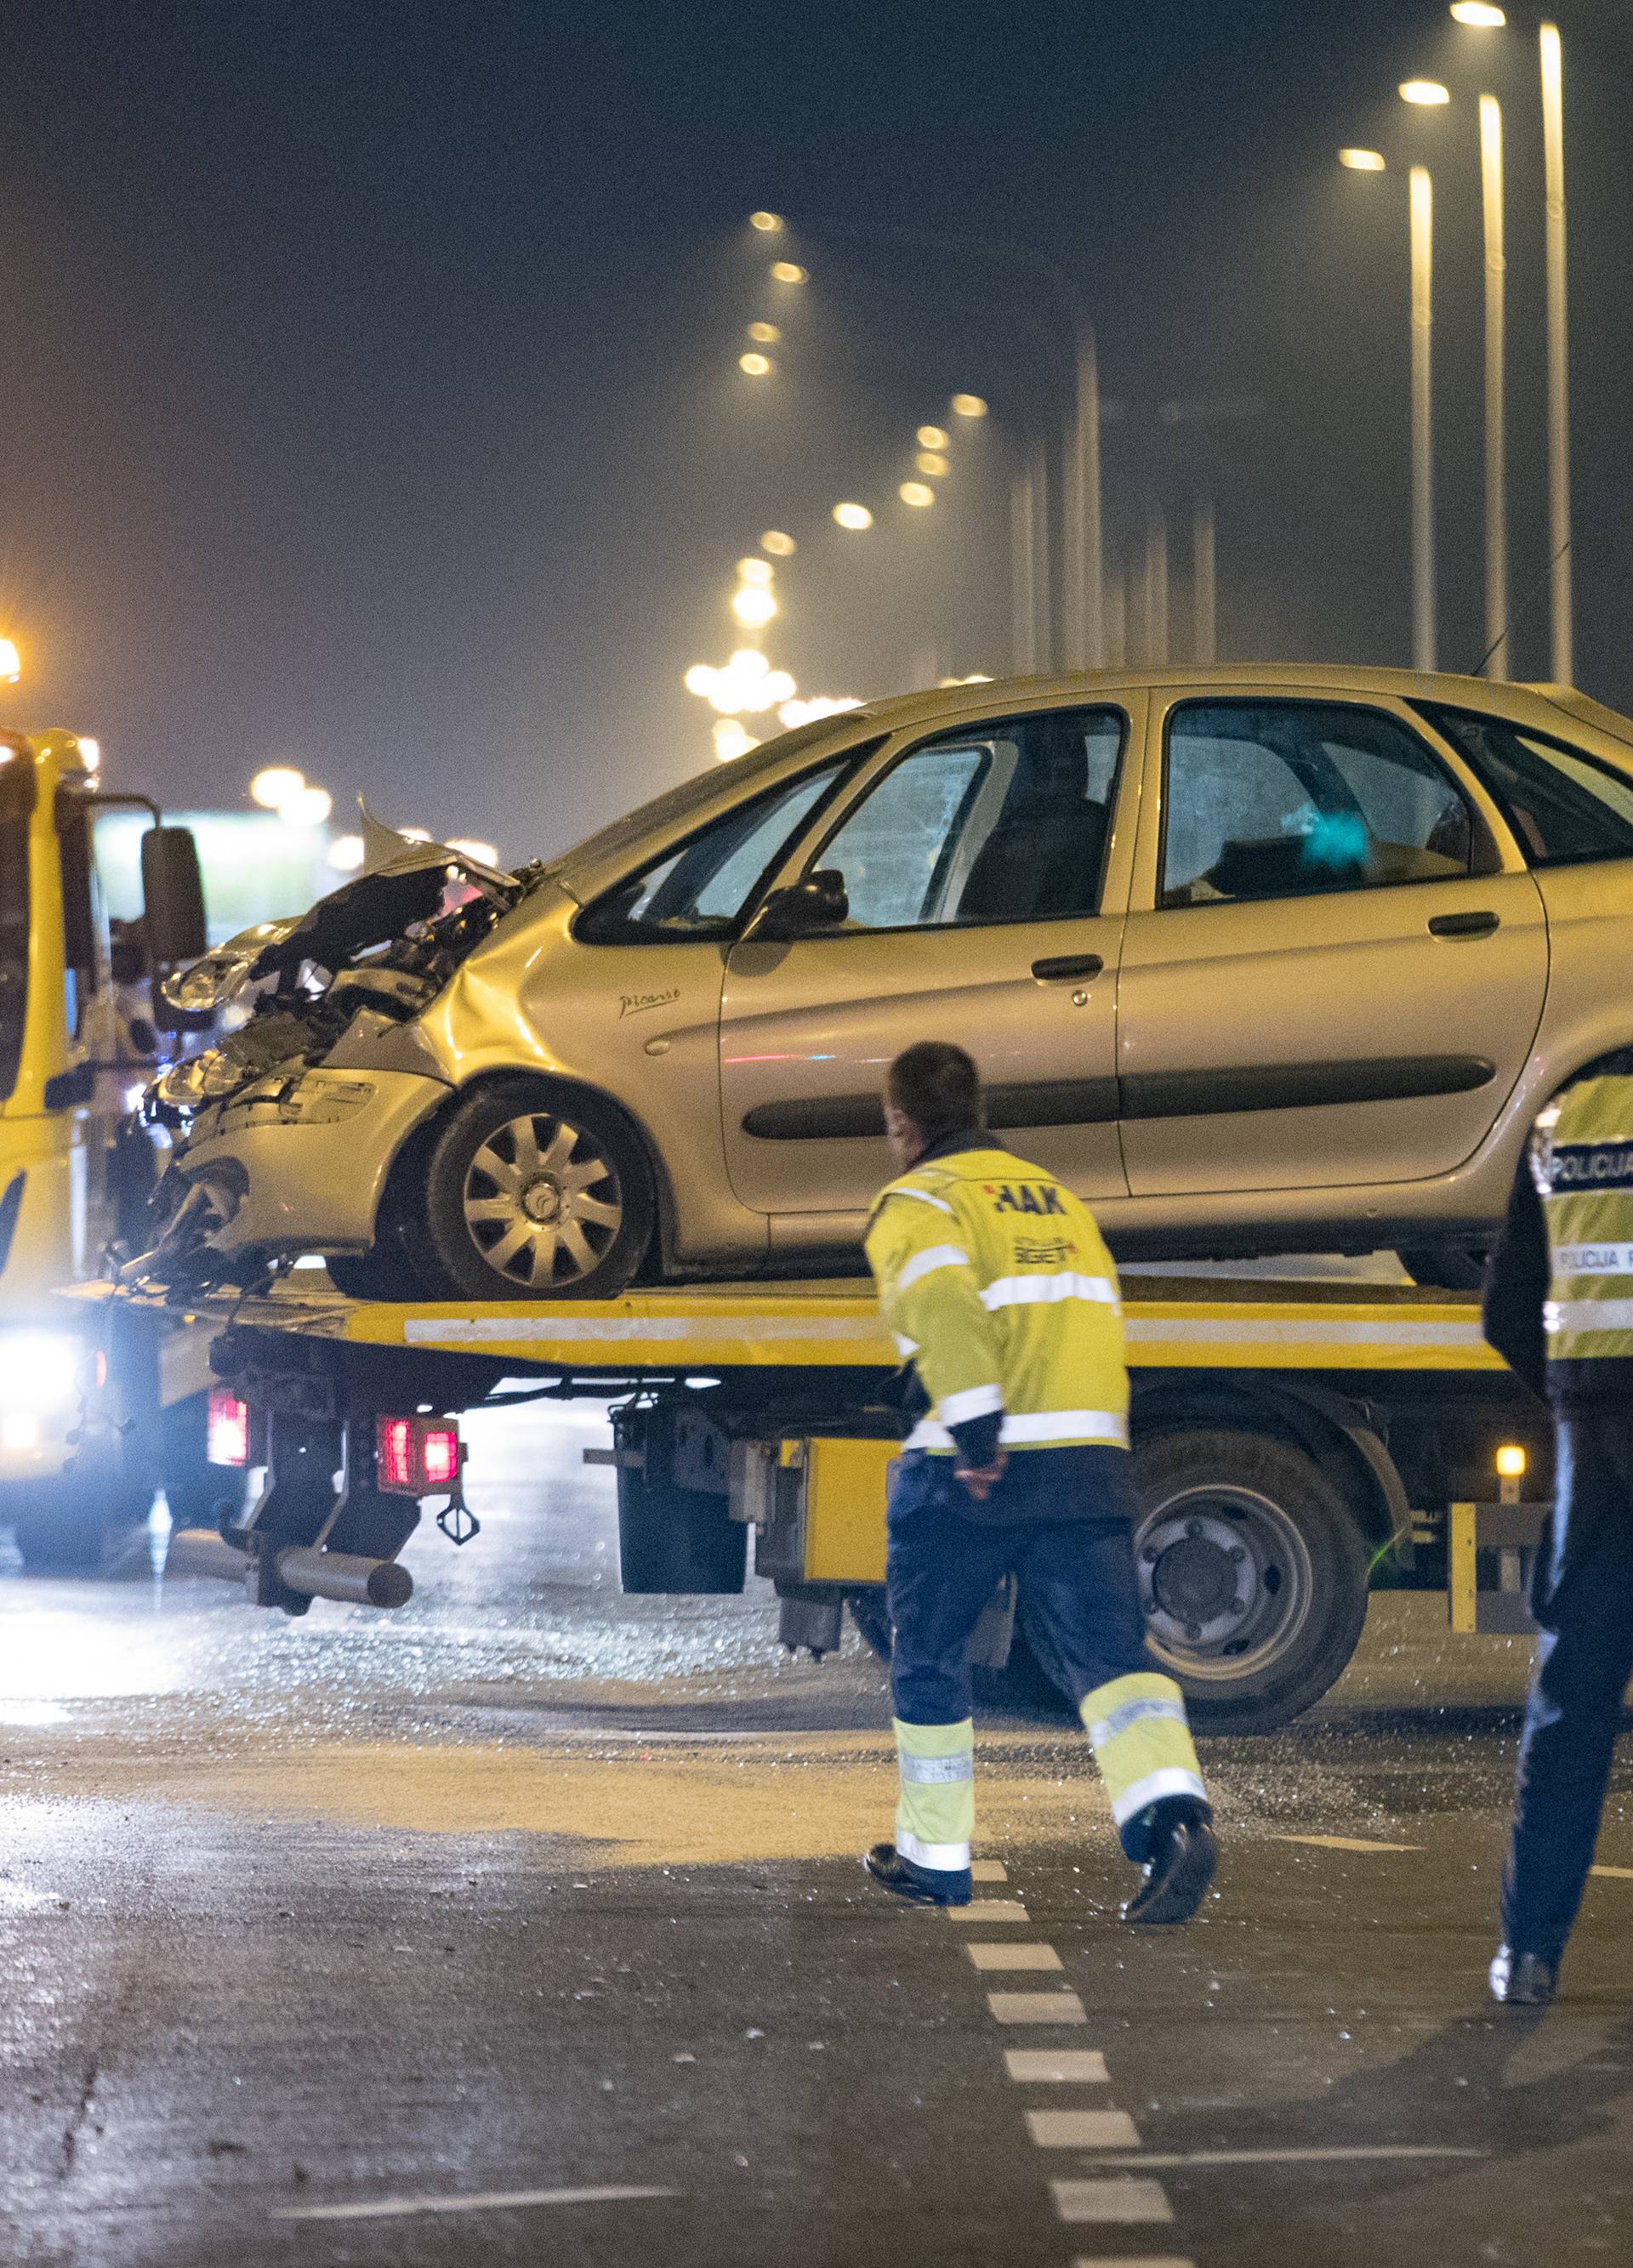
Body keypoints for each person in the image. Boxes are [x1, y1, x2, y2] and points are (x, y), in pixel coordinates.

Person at [861, 1039, 1216, 1922]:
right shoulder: (1055, 1197)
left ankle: (936, 1860)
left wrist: (977, 1437)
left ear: (901, 1123)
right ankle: (1174, 1822)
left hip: (969, 1477)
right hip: (1088, 1472)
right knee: (1110, 1663)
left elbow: (944, 1309)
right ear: (978, 1110)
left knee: (932, 1657)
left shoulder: (918, 1202)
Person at [1482, 1051, 1633, 2005]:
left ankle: (1528, 1955)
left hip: (1594, 1439)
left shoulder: (1571, 1110)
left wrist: (1580, 1401)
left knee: (1573, 1699)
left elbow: (1506, 1308)